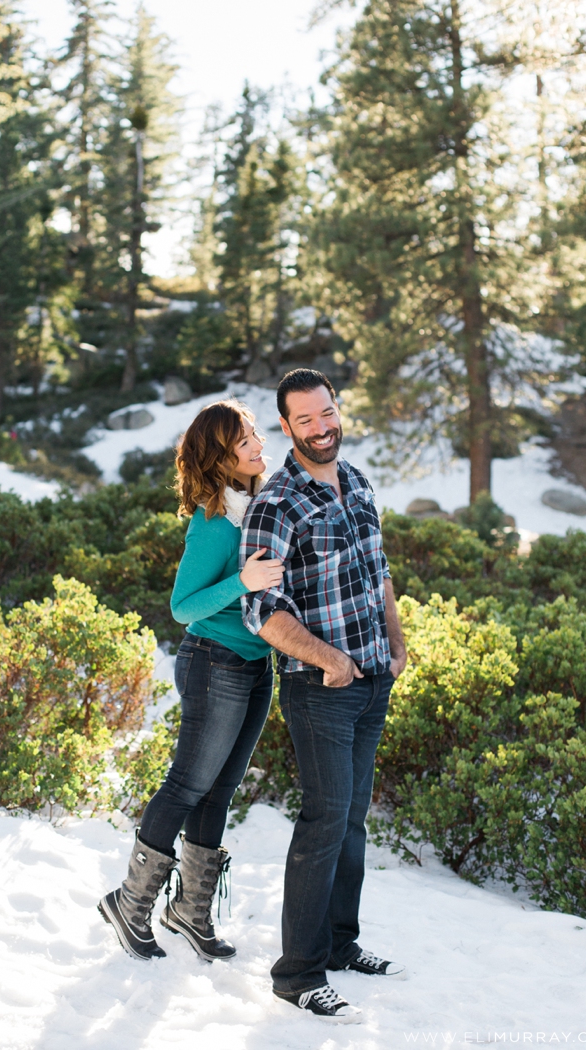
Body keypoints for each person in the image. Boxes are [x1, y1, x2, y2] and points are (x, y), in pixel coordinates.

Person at [240, 369, 408, 1024]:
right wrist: (330, 659)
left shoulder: (359, 482)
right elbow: (262, 610)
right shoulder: (276, 503)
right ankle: (298, 974)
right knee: (323, 822)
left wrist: (396, 642)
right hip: (321, 689)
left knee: (352, 821)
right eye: (305, 419)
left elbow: (380, 568)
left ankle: (340, 945)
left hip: (373, 684)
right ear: (287, 427)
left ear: (339, 411)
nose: (321, 427)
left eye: (327, 412)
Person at [99, 400, 284, 963]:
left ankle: (190, 911)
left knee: (219, 790)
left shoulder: (258, 504)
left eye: (253, 433)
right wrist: (242, 579)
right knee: (187, 784)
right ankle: (130, 904)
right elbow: (183, 606)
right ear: (220, 458)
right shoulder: (212, 522)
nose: (255, 443)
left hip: (255, 664)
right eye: (241, 440)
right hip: (214, 661)